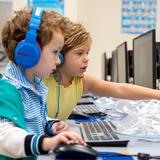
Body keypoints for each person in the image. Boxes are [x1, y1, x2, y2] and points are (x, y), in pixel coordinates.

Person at [0, 8, 85, 160]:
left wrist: (50, 125)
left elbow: (33, 119)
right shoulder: (8, 91)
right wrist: (46, 143)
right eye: (55, 52)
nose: (59, 61)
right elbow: (4, 136)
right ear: (30, 52)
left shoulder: (34, 85)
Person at [44, 22, 160, 120]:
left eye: (87, 52)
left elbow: (120, 89)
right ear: (60, 55)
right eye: (80, 53)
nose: (86, 58)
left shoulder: (81, 81)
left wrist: (157, 94)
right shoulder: (42, 78)